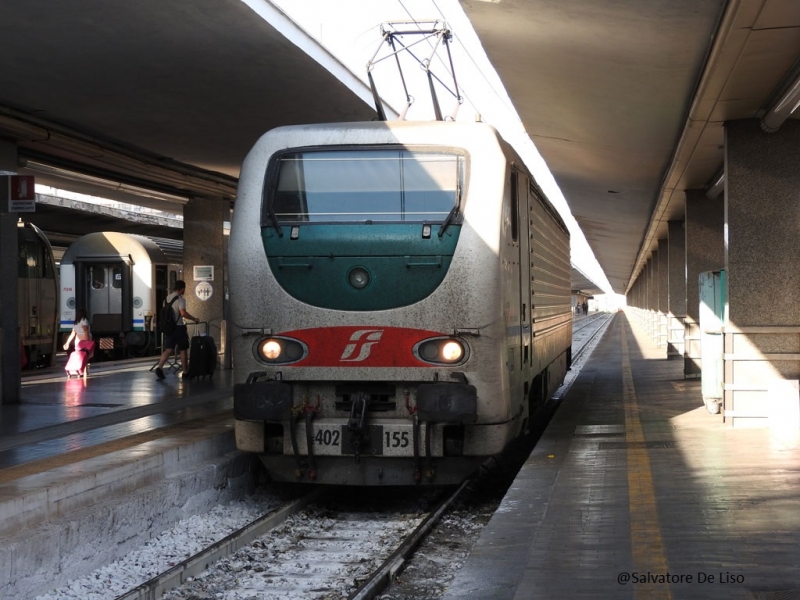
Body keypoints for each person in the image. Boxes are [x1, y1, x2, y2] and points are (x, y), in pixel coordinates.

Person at [154, 280, 199, 379]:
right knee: (183, 349)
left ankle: (159, 367)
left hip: (169, 328)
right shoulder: (180, 299)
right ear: (182, 289)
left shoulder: (166, 299)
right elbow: (183, 313)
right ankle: (185, 372)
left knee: (168, 349)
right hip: (179, 327)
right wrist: (194, 318)